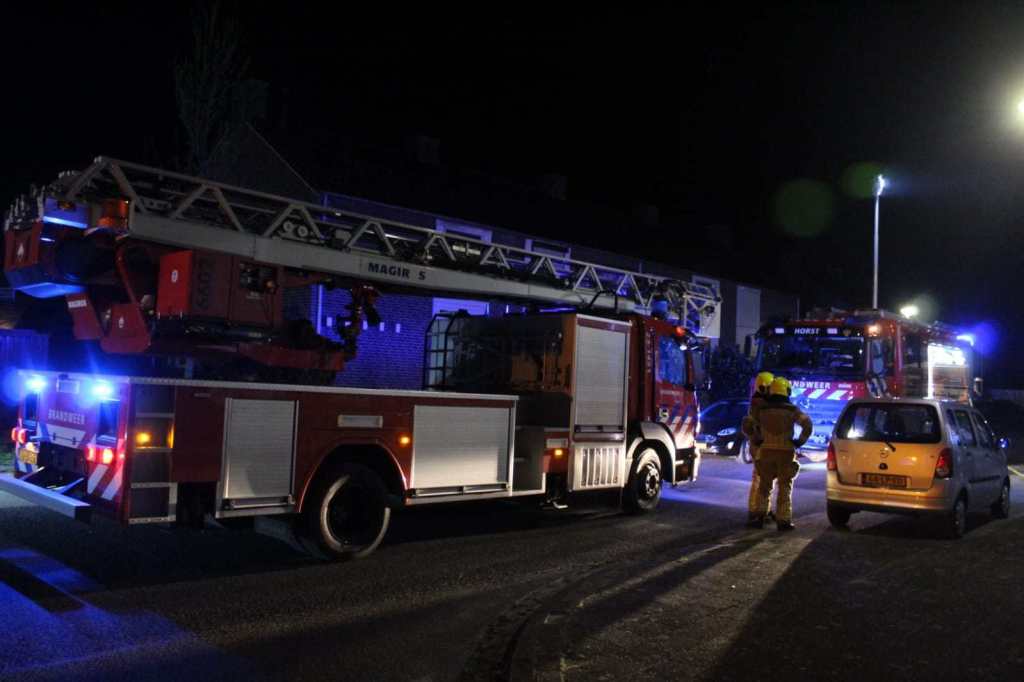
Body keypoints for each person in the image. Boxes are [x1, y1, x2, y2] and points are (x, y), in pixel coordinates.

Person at [749, 376, 812, 531]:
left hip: (766, 452)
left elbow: (748, 424)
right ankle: (783, 520)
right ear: (787, 391)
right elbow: (807, 424)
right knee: (784, 486)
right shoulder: (792, 410)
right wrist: (799, 441)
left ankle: (759, 516)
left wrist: (756, 439)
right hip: (786, 453)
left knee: (764, 486)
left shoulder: (762, 410)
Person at [742, 371, 774, 528]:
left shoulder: (757, 401)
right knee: (760, 478)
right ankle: (756, 512)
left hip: (759, 444)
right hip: (760, 444)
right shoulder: (761, 403)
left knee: (763, 478)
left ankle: (763, 510)